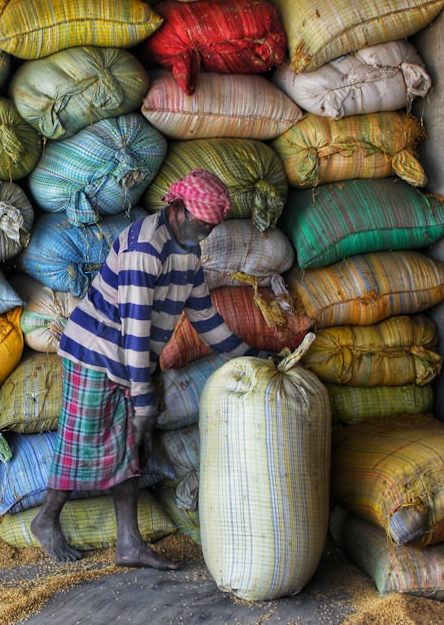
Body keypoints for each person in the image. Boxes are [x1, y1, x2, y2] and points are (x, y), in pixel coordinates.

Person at [30, 169, 273, 569]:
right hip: (97, 353)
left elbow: (204, 316)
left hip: (130, 358)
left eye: (210, 228)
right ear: (177, 208)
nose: (204, 233)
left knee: (130, 449)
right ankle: (45, 519)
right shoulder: (147, 245)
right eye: (200, 224)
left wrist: (249, 356)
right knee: (81, 442)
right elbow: (135, 329)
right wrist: (143, 398)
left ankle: (128, 544)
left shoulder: (189, 252)